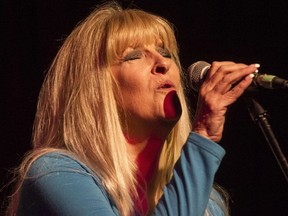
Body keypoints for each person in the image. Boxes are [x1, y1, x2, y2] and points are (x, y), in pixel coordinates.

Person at [6, 1, 260, 215]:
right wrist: (203, 133)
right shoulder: (57, 174)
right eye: (134, 56)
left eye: (166, 53)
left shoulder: (207, 202)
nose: (162, 63)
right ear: (95, 88)